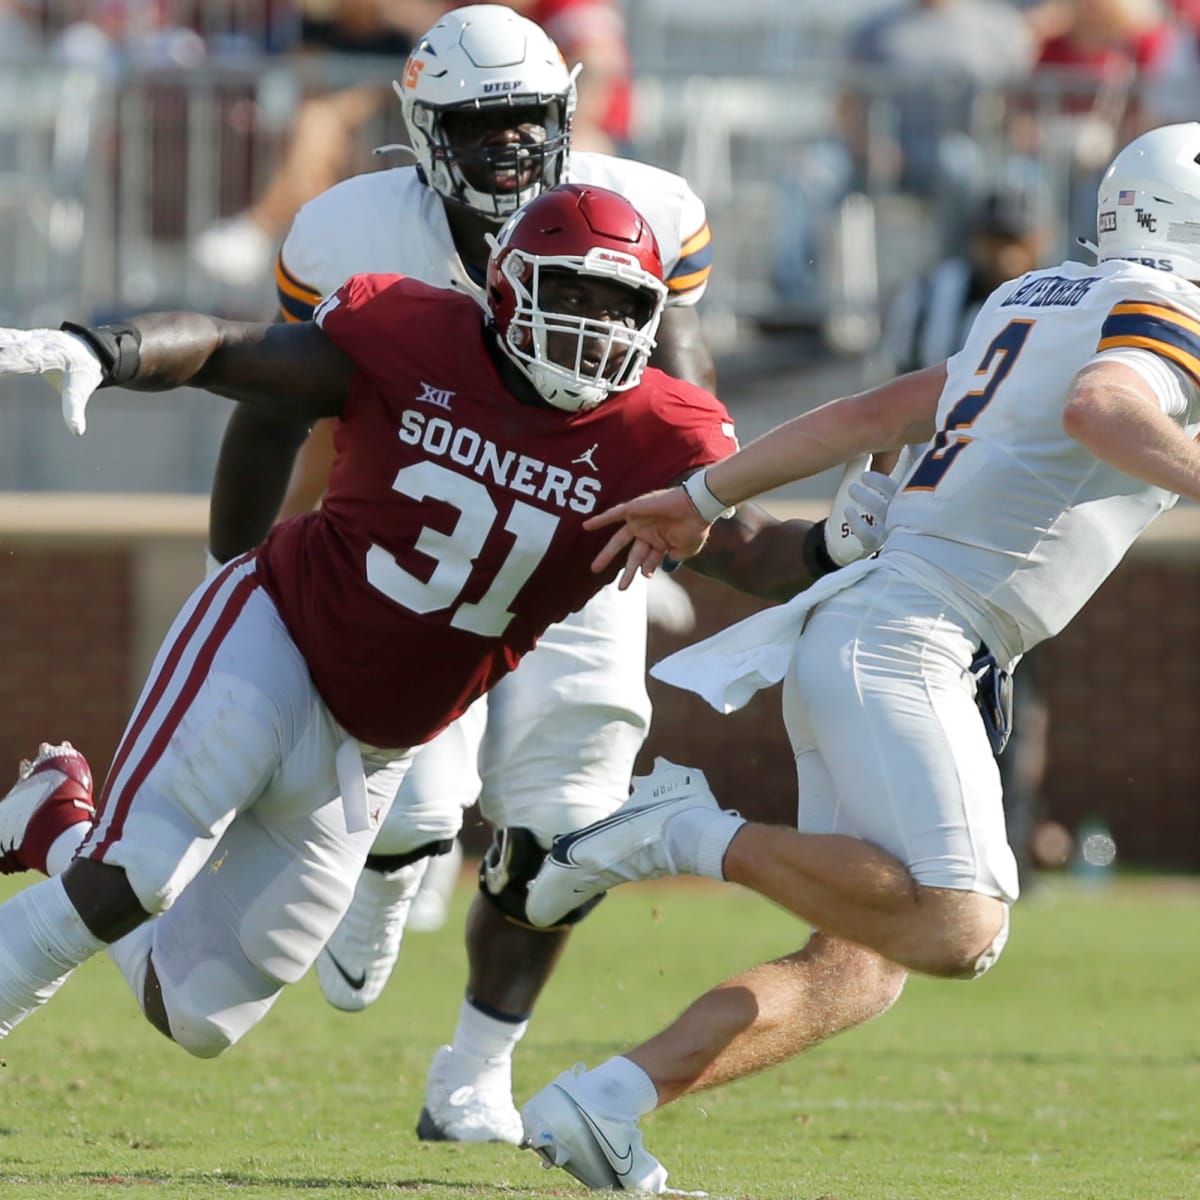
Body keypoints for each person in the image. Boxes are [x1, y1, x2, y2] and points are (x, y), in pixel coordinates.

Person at [0, 184, 886, 1091]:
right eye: (572, 292)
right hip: (277, 636)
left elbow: (744, 551)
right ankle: (78, 864)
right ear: (506, 287)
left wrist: (833, 542)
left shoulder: (655, 434)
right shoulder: (413, 333)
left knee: (196, 1014)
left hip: (375, 744)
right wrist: (104, 350)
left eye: (619, 305)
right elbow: (234, 350)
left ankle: (52, 821)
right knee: (135, 876)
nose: (593, 324)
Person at [515, 123, 1200, 1194]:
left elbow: (868, 413)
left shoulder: (1036, 298)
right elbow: (1101, 407)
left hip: (884, 627)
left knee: (859, 967)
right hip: (914, 636)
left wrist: (704, 497)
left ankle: (607, 1104)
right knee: (960, 927)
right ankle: (672, 827)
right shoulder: (1162, 307)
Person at [211, 3, 720, 1146]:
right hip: (419, 530)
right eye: (479, 125)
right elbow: (292, 405)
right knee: (421, 800)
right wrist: (243, 566)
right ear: (422, 126)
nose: (507, 148)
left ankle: (473, 1073)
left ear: (568, 113)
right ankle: (395, 875)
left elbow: (686, 386)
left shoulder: (647, 208)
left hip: (575, 550)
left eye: (527, 122)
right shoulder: (349, 229)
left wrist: (702, 511)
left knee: (565, 823)